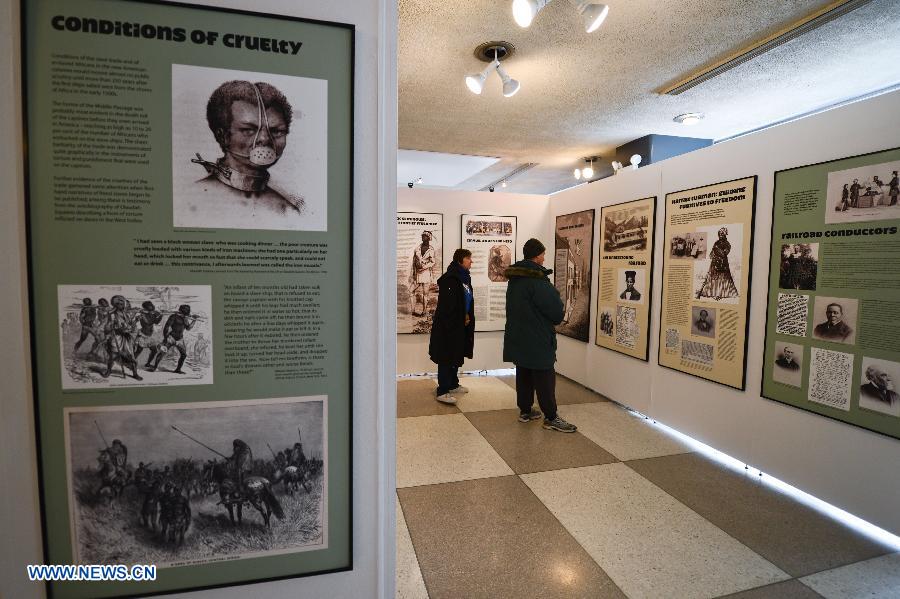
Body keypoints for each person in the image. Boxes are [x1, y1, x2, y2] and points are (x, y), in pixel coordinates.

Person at [183, 80, 304, 226]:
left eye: (276, 131)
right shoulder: (190, 199)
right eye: (248, 130)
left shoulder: (287, 211)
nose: (265, 139)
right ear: (222, 136)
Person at [503, 239, 577, 433]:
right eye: (543, 254)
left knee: (524, 372)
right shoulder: (537, 281)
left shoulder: (516, 279)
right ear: (537, 256)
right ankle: (551, 417)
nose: (545, 258)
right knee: (545, 377)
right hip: (537, 338)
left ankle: (525, 411)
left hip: (519, 336)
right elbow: (556, 313)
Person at [429, 248, 475, 404]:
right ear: (461, 260)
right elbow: (448, 307)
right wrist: (461, 317)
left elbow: (465, 301)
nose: (471, 261)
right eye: (469, 258)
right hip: (449, 327)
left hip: (461, 325)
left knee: (456, 354)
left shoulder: (464, 278)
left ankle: (453, 384)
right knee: (446, 356)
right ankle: (442, 390)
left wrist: (467, 315)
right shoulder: (450, 279)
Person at [103, 295, 142, 380]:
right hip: (117, 337)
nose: (123, 305)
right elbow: (107, 327)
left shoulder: (126, 314)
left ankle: (135, 374)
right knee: (112, 356)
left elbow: (130, 326)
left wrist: (136, 320)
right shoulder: (112, 315)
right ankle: (108, 371)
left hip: (126, 338)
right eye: (120, 304)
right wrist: (113, 327)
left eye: (123, 303)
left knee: (132, 358)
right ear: (116, 305)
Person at [151, 304, 196, 374]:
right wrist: (166, 337)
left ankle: (178, 369)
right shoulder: (173, 316)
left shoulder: (185, 318)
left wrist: (194, 320)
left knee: (184, 355)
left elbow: (188, 328)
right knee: (162, 352)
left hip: (180, 339)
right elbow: (166, 327)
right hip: (171, 338)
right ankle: (155, 367)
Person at [696, 227, 739, 300]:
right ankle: (712, 292)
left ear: (725, 234)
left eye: (722, 234)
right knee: (712, 277)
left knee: (723, 278)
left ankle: (721, 293)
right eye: (719, 234)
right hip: (714, 262)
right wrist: (713, 253)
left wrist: (717, 250)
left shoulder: (727, 243)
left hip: (723, 264)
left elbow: (725, 253)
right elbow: (712, 253)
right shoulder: (716, 242)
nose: (720, 235)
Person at [409, 231, 437, 317]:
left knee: (425, 293)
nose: (423, 237)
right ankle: (413, 311)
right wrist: (413, 274)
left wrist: (424, 267)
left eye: (424, 236)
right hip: (417, 274)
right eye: (422, 236)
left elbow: (433, 262)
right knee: (411, 291)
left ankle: (424, 312)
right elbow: (414, 262)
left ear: (428, 238)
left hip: (425, 273)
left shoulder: (431, 249)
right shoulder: (417, 248)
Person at [134, 300, 163, 368]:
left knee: (154, 350)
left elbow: (156, 322)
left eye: (151, 305)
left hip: (149, 336)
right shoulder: (142, 315)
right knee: (138, 351)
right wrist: (155, 314)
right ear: (147, 307)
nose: (152, 306)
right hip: (143, 335)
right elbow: (148, 322)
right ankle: (131, 363)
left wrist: (160, 316)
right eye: (150, 305)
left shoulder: (151, 314)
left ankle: (148, 363)